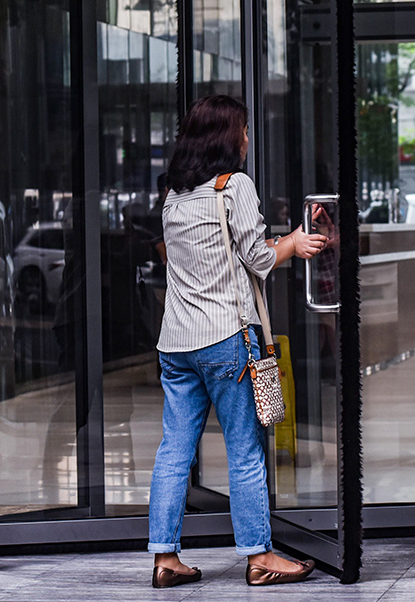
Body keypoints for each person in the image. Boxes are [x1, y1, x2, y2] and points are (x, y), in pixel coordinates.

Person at [148, 95, 328, 588]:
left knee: (173, 450)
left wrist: (287, 241)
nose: (247, 139)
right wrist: (294, 243)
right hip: (227, 337)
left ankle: (166, 557)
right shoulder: (233, 188)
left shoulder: (173, 195)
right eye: (244, 131)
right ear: (228, 137)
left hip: (176, 342)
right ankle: (259, 555)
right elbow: (260, 259)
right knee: (245, 450)